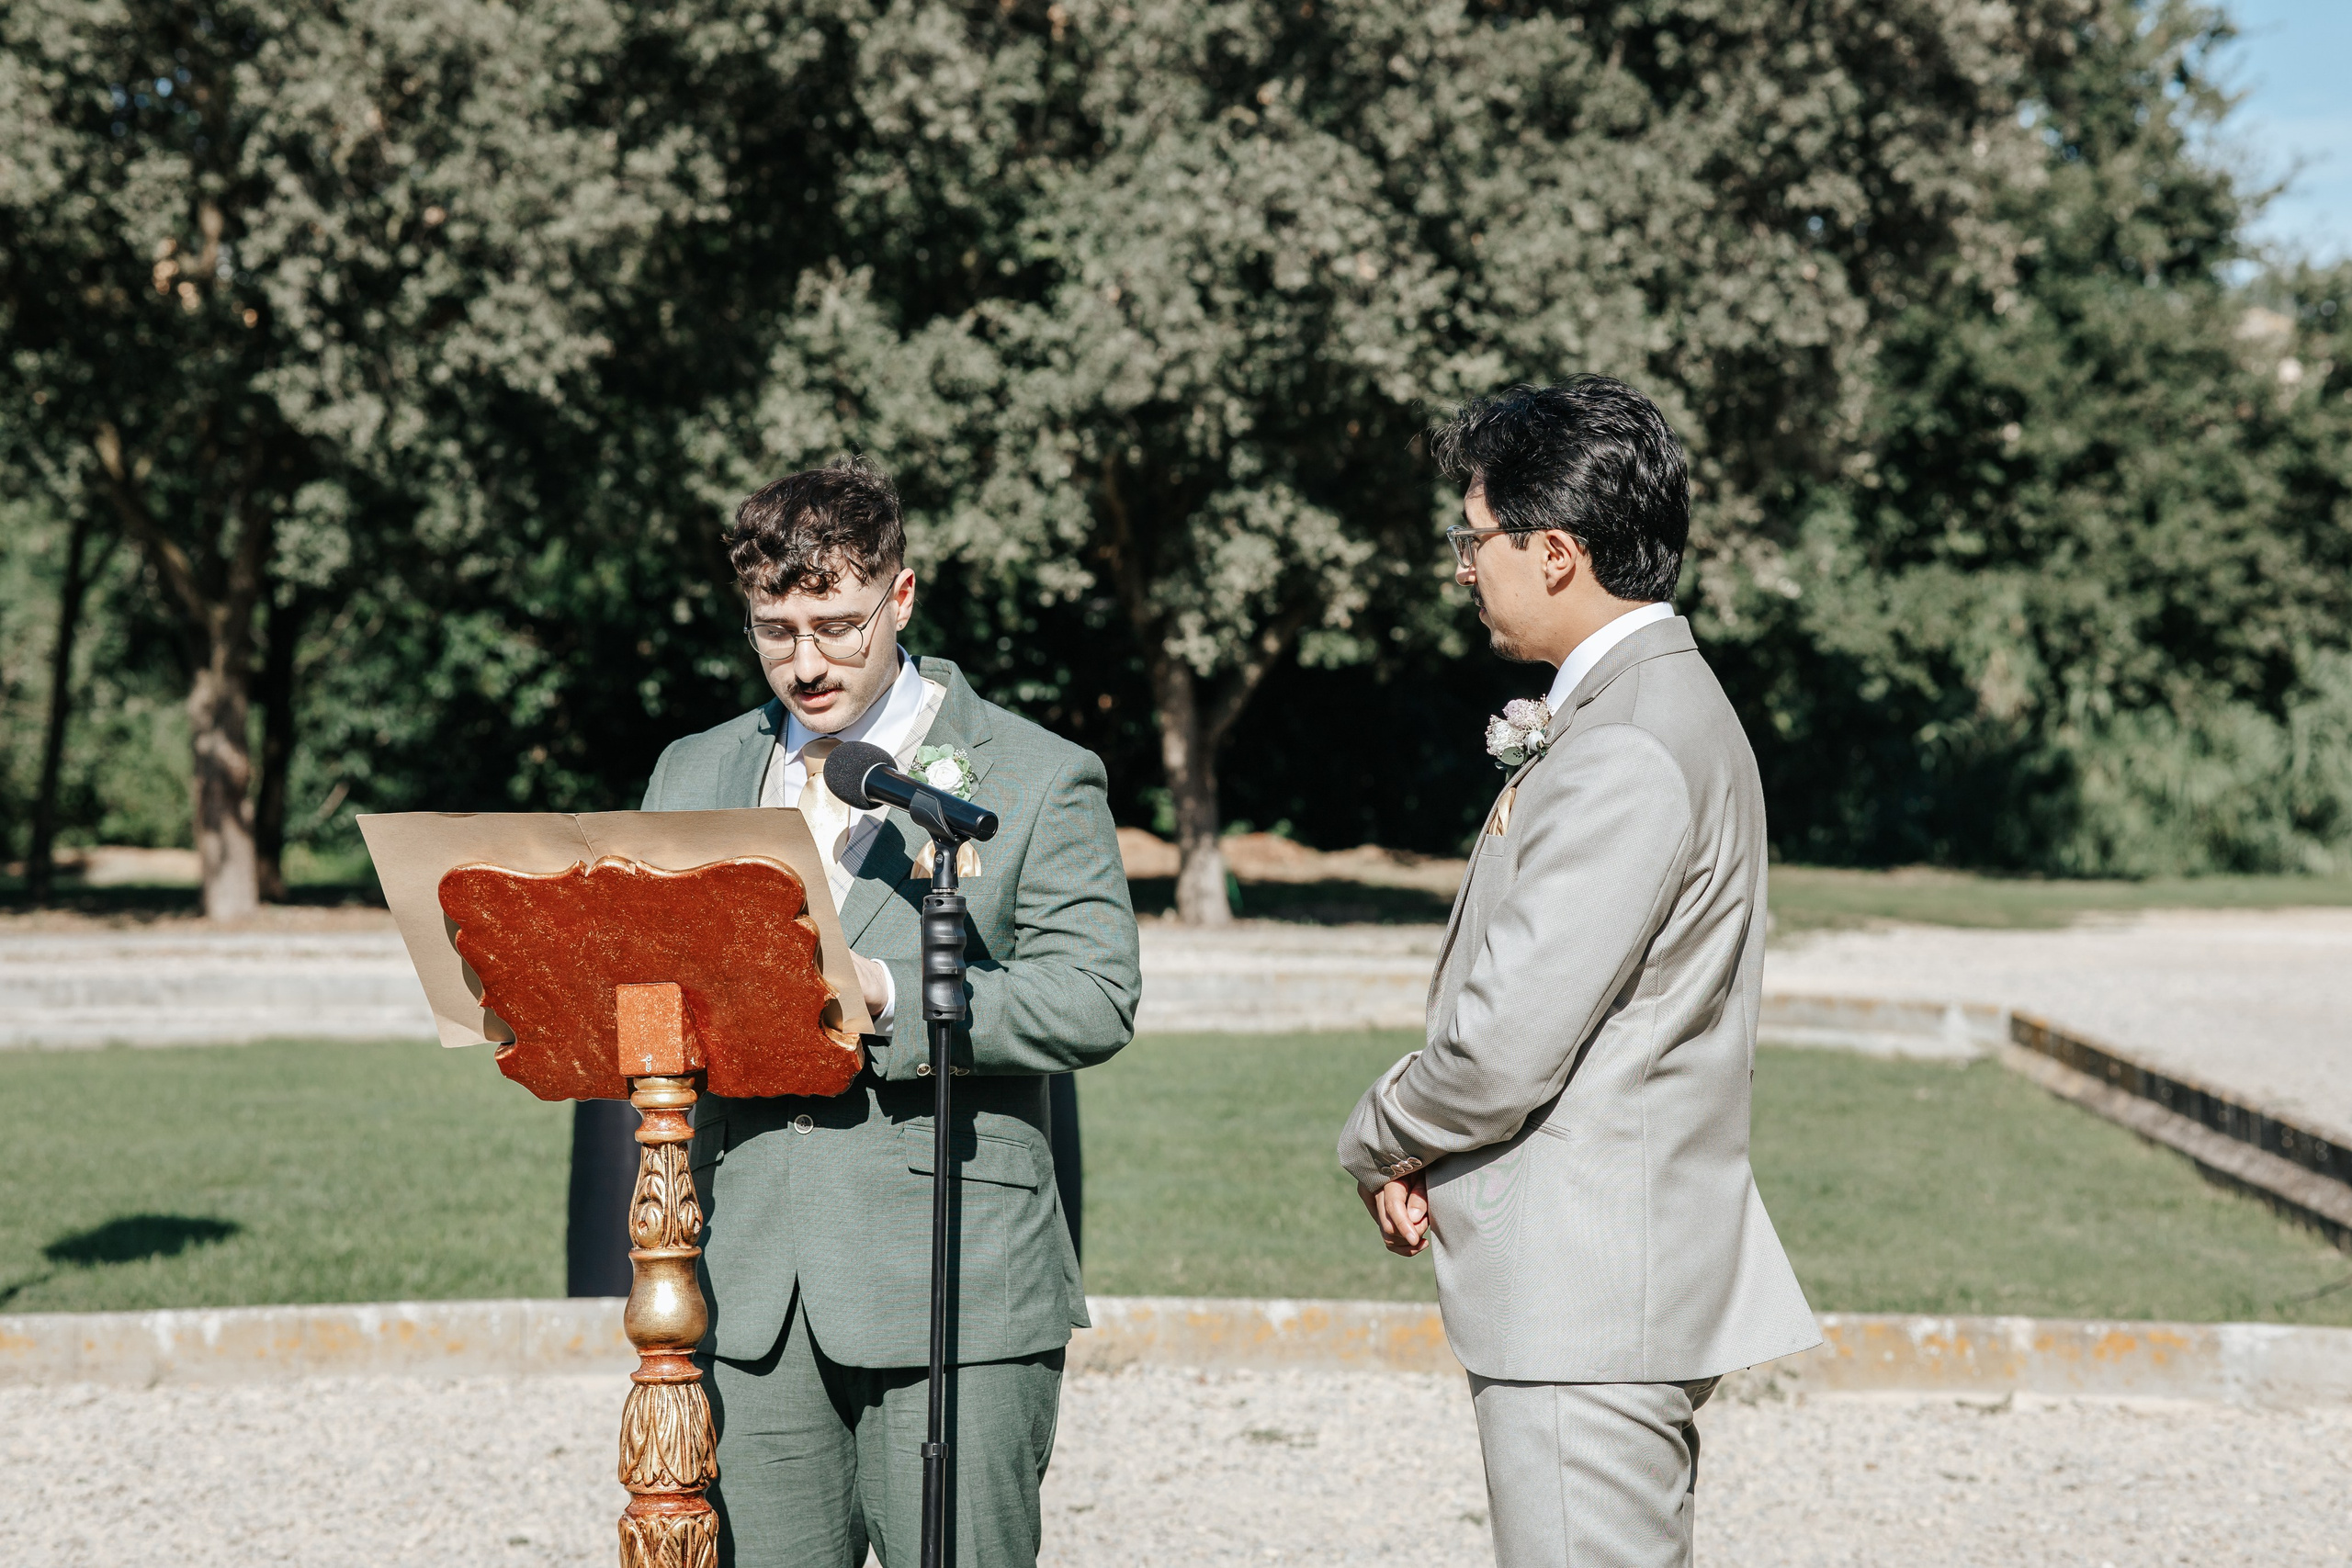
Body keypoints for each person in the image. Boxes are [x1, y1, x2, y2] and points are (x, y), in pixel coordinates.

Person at [1337, 378, 1818, 1568]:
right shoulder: (1643, 705)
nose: (1463, 567)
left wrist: (1380, 1131)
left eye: (1473, 536)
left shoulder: (1629, 742)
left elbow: (1505, 1041)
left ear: (1553, 552)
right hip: (1606, 1284)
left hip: (1588, 1297)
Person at [641, 457, 1139, 1568]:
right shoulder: (689, 773)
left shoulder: (1035, 772)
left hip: (954, 1274)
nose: (806, 663)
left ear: (901, 598)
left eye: (837, 624)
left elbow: (1096, 994)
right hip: (751, 1277)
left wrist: (895, 994)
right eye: (776, 630)